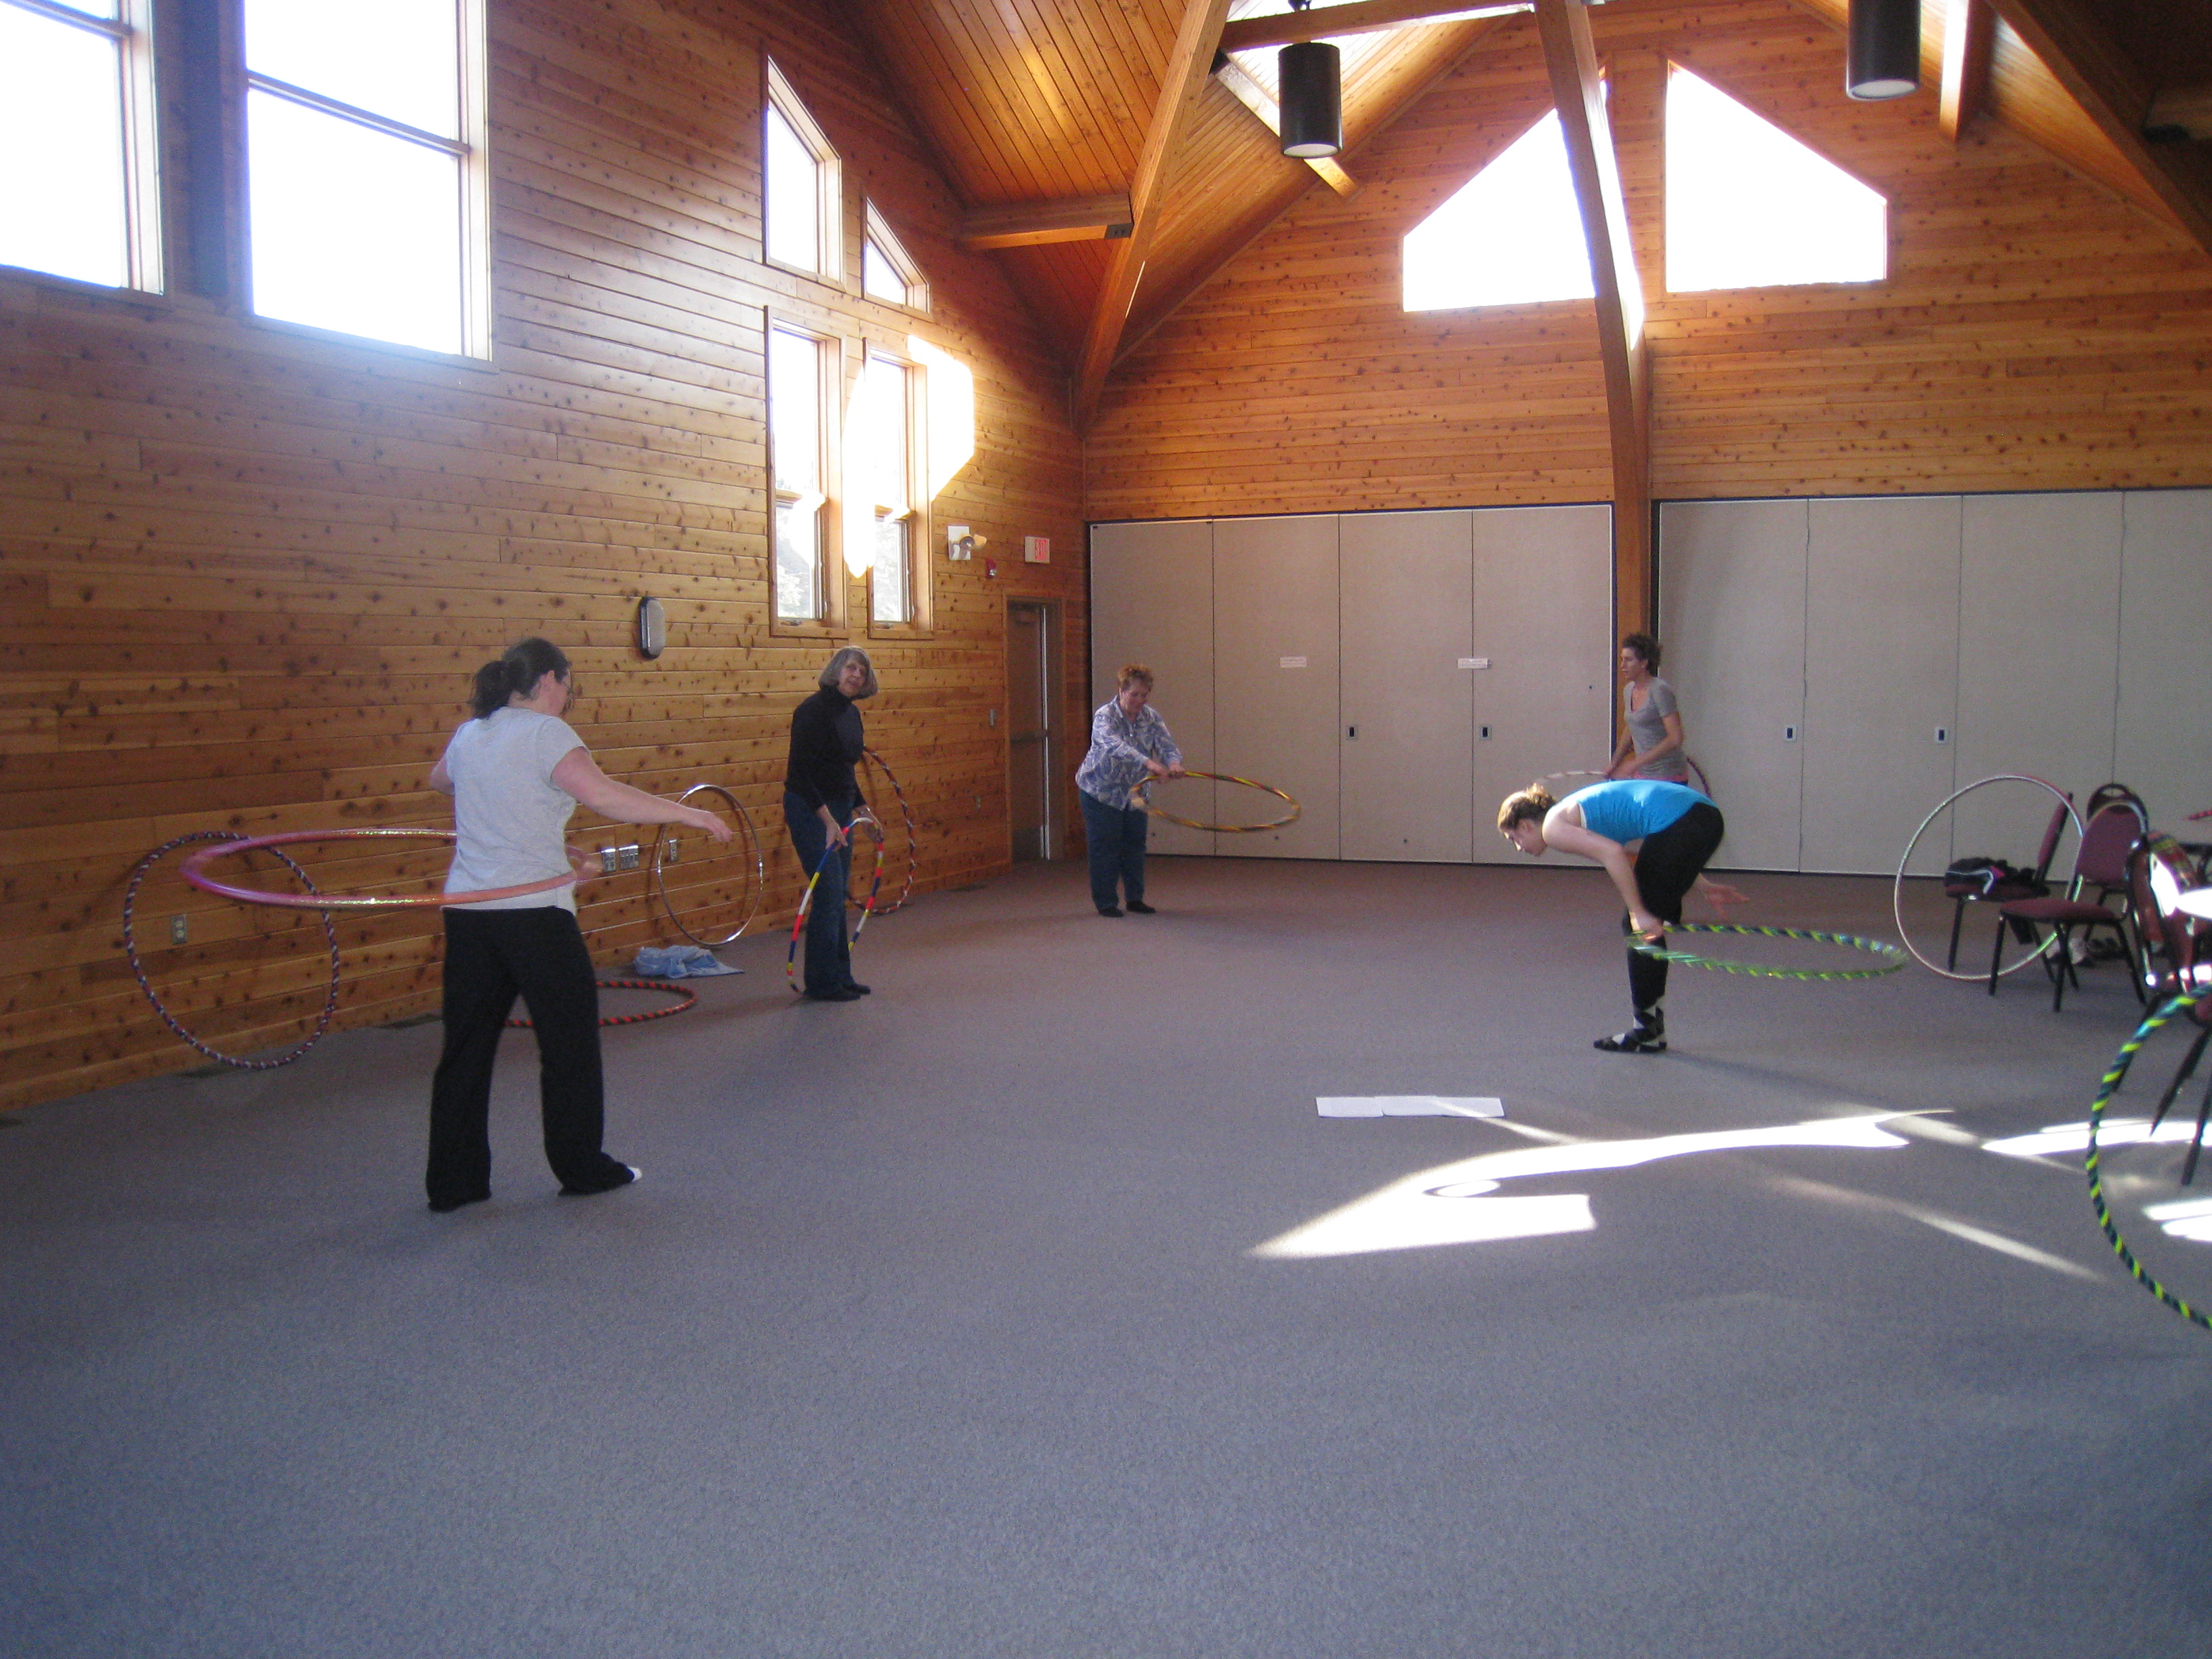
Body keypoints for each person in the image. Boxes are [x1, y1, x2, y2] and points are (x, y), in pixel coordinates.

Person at [425, 637, 733, 1213]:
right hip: (535, 917)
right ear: (547, 681)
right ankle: (582, 1168)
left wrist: (525, 828)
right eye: (567, 685)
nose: (568, 697)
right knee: (569, 1047)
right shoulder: (545, 733)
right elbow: (605, 798)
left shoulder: (475, 732)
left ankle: (453, 1183)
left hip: (469, 913)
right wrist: (689, 812)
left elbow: (442, 781)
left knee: (464, 1050)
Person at [1497, 777, 1746, 1054]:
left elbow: (1613, 854)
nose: (1519, 847)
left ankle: (1647, 1032)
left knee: (1639, 927)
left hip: (1683, 822)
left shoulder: (1554, 829)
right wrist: (1702, 885)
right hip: (1706, 817)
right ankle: (1650, 1027)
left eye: (1514, 838)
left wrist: (1638, 912)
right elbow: (1645, 853)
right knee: (1650, 919)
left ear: (1525, 825)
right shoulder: (1575, 814)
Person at [784, 646, 879, 1002]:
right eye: (851, 668)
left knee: (838, 894)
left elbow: (844, 771)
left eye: (863, 672)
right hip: (809, 808)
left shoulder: (851, 714)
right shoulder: (811, 711)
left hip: (838, 807)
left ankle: (841, 974)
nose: (856, 676)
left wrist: (862, 810)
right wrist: (827, 821)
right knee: (826, 893)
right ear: (837, 671)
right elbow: (800, 775)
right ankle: (822, 984)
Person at [1075, 663, 1184, 917]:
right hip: (1100, 792)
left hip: (1135, 794)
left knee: (1135, 845)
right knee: (1105, 846)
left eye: (1144, 695)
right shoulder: (1105, 716)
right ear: (1122, 691)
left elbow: (1166, 744)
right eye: (1134, 694)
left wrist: (1174, 764)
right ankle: (1106, 903)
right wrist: (1150, 764)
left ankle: (1135, 899)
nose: (1139, 700)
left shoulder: (1151, 716)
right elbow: (1117, 747)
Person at [1604, 632, 1689, 783]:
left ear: (1644, 663)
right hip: (1644, 775)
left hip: (1668, 776)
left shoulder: (1660, 690)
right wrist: (1615, 763)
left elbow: (1676, 738)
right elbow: (1631, 727)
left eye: (1629, 660)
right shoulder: (1628, 690)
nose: (1623, 665)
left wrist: (1635, 764)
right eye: (1622, 659)